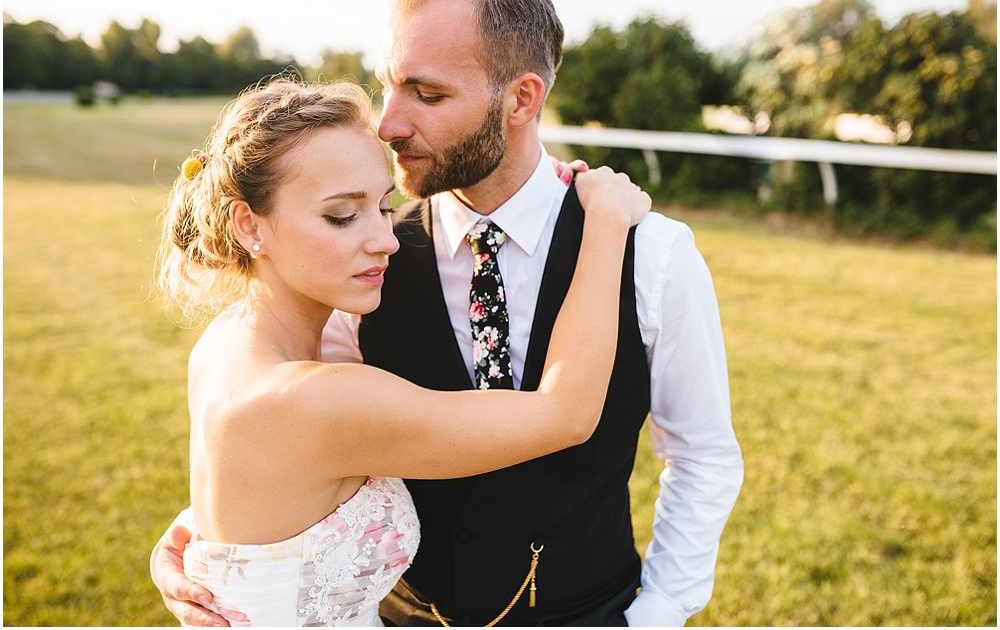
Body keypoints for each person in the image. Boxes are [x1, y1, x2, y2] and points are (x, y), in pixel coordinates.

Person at [152, 0, 744, 626]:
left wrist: (658, 613)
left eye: (425, 95)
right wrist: (208, 543)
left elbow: (702, 457)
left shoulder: (654, 256)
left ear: (520, 101)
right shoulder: (362, 267)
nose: (387, 124)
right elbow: (287, 444)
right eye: (386, 86)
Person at [154, 75, 650, 627]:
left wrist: (191, 542)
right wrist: (606, 224)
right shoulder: (320, 400)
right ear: (249, 225)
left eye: (384, 207)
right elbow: (566, 415)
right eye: (342, 215)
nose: (386, 240)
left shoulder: (223, 343)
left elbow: (253, 497)